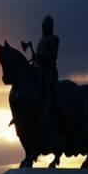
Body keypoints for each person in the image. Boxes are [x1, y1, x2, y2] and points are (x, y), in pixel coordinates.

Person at [34, 15, 64, 149]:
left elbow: (52, 55)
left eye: (46, 26)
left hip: (49, 71)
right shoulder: (41, 40)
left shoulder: (54, 39)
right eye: (43, 26)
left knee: (47, 90)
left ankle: (46, 112)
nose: (44, 28)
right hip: (40, 69)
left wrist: (40, 57)